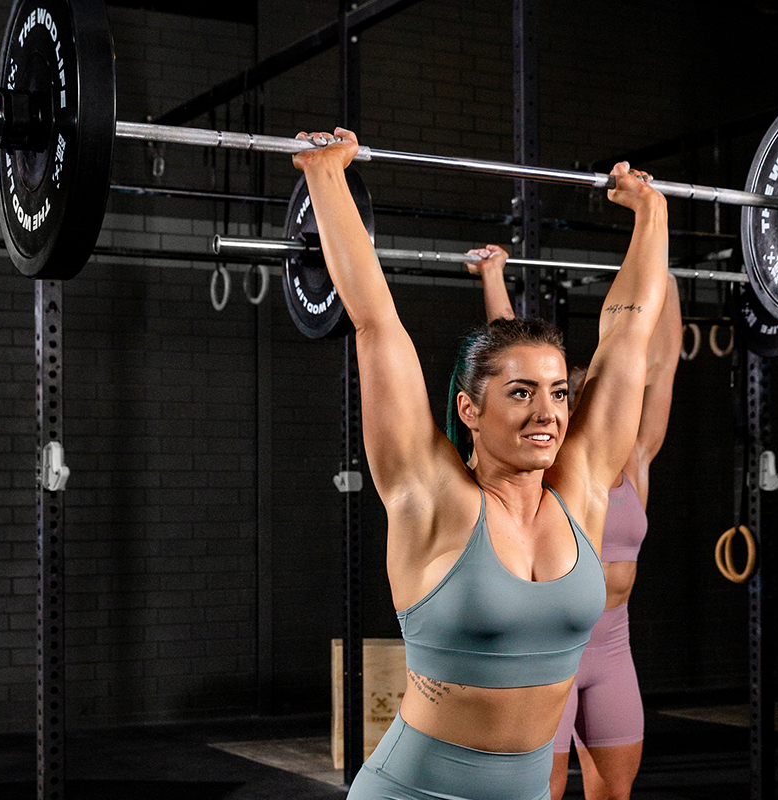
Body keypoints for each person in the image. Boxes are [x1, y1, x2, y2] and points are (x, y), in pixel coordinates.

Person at [292, 128, 669, 800]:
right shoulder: (431, 497)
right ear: (469, 410)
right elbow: (376, 321)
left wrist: (652, 214)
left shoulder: (581, 491)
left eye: (556, 393)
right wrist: (327, 178)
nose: (548, 413)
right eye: (519, 393)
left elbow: (629, 333)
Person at [466, 248, 682, 800]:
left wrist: (660, 268)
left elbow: (662, 363)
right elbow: (509, 355)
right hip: (548, 652)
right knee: (545, 791)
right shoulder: (555, 476)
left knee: (615, 789)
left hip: (613, 648)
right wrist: (493, 276)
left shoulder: (633, 462)